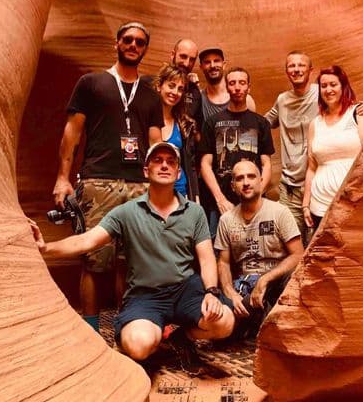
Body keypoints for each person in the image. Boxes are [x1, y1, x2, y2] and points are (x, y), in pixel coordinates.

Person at [32, 141, 234, 366]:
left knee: (224, 322)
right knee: (139, 346)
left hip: (185, 289)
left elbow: (206, 258)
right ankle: (155, 336)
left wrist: (211, 293)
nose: (164, 165)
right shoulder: (126, 212)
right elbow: (87, 240)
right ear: (146, 171)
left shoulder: (194, 212)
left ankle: (181, 336)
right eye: (157, 161)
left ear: (178, 173)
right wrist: (47, 248)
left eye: (171, 162)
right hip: (145, 294)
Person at [52, 21, 162, 332]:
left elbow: (155, 142)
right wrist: (63, 178)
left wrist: (160, 187)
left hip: (140, 185)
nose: (133, 45)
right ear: (116, 44)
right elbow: (71, 133)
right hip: (99, 180)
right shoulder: (91, 83)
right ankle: (90, 328)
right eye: (127, 40)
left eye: (140, 42)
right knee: (94, 259)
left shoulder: (150, 94)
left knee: (130, 263)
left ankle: (124, 327)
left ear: (145, 49)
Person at [216, 159, 303, 339]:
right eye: (240, 179)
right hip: (245, 286)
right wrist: (229, 292)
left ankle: (264, 323)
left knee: (292, 280)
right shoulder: (226, 220)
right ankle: (258, 322)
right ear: (233, 186)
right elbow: (223, 263)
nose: (246, 182)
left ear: (261, 180)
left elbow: (298, 255)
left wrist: (265, 279)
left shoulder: (280, 212)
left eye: (251, 177)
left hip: (275, 282)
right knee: (220, 318)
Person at [302, 64, 363, 233]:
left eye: (333, 84)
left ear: (343, 86)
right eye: (323, 86)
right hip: (319, 206)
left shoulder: (359, 113)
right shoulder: (315, 124)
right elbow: (311, 168)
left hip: (353, 202)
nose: (328, 89)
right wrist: (306, 204)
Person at [200, 67, 274, 235]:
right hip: (220, 204)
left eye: (242, 83)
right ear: (227, 87)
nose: (237, 87)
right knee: (220, 253)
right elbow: (205, 164)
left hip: (254, 202)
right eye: (232, 83)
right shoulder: (212, 122)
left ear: (249, 87)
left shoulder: (261, 123)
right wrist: (220, 200)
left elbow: (266, 164)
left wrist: (258, 194)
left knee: (255, 252)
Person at [265, 51, 316, 242]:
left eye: (301, 65)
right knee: (289, 244)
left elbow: (345, 107)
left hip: (316, 185)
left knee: (316, 245)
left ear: (310, 69)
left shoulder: (322, 93)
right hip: (290, 188)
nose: (296, 69)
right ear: (287, 72)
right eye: (291, 66)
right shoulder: (283, 100)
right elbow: (263, 124)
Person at [155, 63, 199, 201]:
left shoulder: (184, 124)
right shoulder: (144, 120)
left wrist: (195, 195)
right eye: (171, 86)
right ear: (159, 86)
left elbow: (190, 165)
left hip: (180, 192)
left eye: (180, 89)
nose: (175, 93)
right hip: (152, 192)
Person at [198, 47, 256, 125]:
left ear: (224, 64)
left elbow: (252, 132)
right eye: (207, 62)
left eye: (216, 61)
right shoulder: (199, 99)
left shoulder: (246, 100)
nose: (212, 65)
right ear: (201, 67)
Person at [169, 38, 202, 125]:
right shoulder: (150, 83)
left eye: (192, 59)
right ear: (173, 55)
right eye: (183, 56)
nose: (187, 64)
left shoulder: (195, 91)